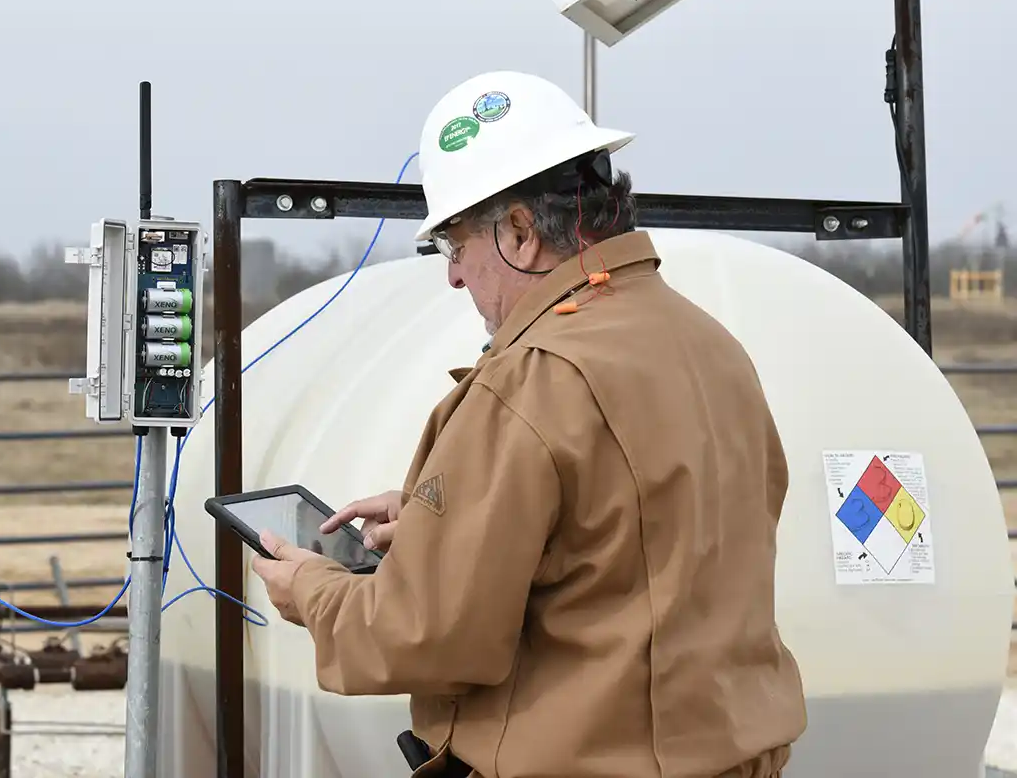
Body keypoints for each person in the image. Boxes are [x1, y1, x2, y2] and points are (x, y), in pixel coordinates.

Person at [250, 70, 806, 778]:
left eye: (456, 246)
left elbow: (429, 634)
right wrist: (441, 522)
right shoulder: (709, 345)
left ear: (518, 232)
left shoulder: (533, 378)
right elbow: (640, 535)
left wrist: (315, 592)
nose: (454, 277)